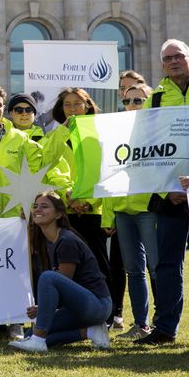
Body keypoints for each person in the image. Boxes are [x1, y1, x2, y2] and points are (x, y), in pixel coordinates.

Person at [135, 38, 189, 345]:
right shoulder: (156, 98)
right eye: (167, 58)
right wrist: (167, 190)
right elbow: (146, 147)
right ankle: (165, 329)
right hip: (171, 195)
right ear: (162, 65)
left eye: (178, 56)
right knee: (167, 263)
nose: (173, 61)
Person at [48, 85, 117, 324]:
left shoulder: (101, 133)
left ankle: (107, 316)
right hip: (66, 210)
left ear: (88, 105)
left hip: (93, 209)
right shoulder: (55, 134)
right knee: (69, 265)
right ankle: (76, 312)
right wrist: (67, 193)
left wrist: (87, 199)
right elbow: (49, 166)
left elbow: (106, 171)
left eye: (77, 104)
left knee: (98, 265)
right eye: (67, 104)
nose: (72, 109)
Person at [10, 192, 112, 352]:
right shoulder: (46, 240)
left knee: (49, 277)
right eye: (35, 206)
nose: (38, 209)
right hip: (77, 306)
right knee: (30, 334)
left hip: (97, 305)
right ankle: (91, 332)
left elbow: (63, 283)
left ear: (58, 214)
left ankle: (38, 342)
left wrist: (43, 306)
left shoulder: (66, 241)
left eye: (44, 206)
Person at [103, 82, 157, 339]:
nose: (132, 105)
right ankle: (141, 325)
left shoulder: (158, 131)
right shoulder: (116, 131)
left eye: (138, 100)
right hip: (123, 211)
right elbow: (108, 175)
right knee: (134, 270)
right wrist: (108, 215)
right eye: (128, 101)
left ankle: (163, 324)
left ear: (149, 101)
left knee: (157, 268)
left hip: (149, 208)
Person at [0, 85, 43, 219]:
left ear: (4, 108)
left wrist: (29, 202)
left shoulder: (20, 138)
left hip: (13, 213)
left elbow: (36, 171)